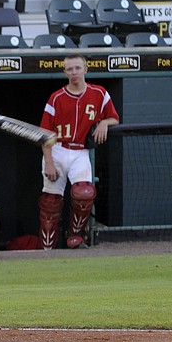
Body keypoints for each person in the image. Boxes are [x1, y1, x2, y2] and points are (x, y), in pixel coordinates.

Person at [39, 54, 119, 250]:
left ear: (85, 69)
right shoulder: (56, 97)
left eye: (77, 68)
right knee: (51, 201)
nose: (74, 72)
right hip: (57, 149)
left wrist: (104, 123)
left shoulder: (99, 93)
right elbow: (45, 133)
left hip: (80, 151)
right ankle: (47, 246)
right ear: (64, 72)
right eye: (70, 69)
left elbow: (114, 118)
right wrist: (48, 162)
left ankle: (75, 235)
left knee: (84, 193)